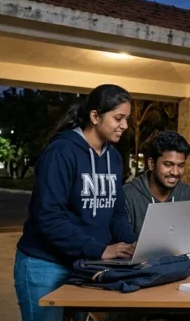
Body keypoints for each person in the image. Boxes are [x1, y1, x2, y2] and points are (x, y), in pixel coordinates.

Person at [13, 84, 137, 321]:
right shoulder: (61, 152)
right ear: (94, 116)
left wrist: (132, 245)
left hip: (85, 264)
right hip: (45, 263)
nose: (125, 126)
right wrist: (101, 249)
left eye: (127, 119)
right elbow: (48, 217)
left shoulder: (113, 157)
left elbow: (117, 213)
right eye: (119, 118)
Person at [124, 131, 190, 237]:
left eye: (181, 165)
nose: (175, 172)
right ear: (151, 164)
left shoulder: (188, 194)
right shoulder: (128, 195)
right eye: (168, 164)